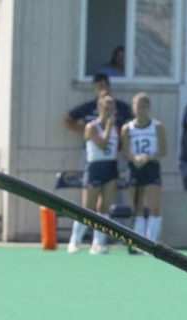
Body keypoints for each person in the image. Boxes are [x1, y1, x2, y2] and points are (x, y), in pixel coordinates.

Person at [68, 92, 120, 254]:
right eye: (105, 108)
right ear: (99, 108)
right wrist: (109, 126)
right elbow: (103, 144)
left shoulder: (115, 128)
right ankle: (75, 241)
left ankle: (98, 242)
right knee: (88, 207)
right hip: (95, 168)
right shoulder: (91, 127)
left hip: (110, 167)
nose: (108, 112)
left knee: (104, 207)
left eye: (111, 109)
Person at [121, 91, 166, 244]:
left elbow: (163, 150)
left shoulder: (156, 126)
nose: (141, 110)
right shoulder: (127, 128)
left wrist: (148, 157)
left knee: (154, 206)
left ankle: (152, 242)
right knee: (137, 206)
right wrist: (135, 158)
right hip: (135, 167)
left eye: (144, 106)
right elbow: (125, 151)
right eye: (138, 106)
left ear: (149, 108)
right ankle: (139, 242)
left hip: (151, 167)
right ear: (134, 108)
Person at [63, 74, 131, 136]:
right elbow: (68, 119)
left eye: (102, 86)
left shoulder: (122, 107)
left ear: (109, 87)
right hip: (92, 147)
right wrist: (87, 132)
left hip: (115, 147)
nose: (101, 90)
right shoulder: (88, 107)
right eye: (98, 87)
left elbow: (136, 120)